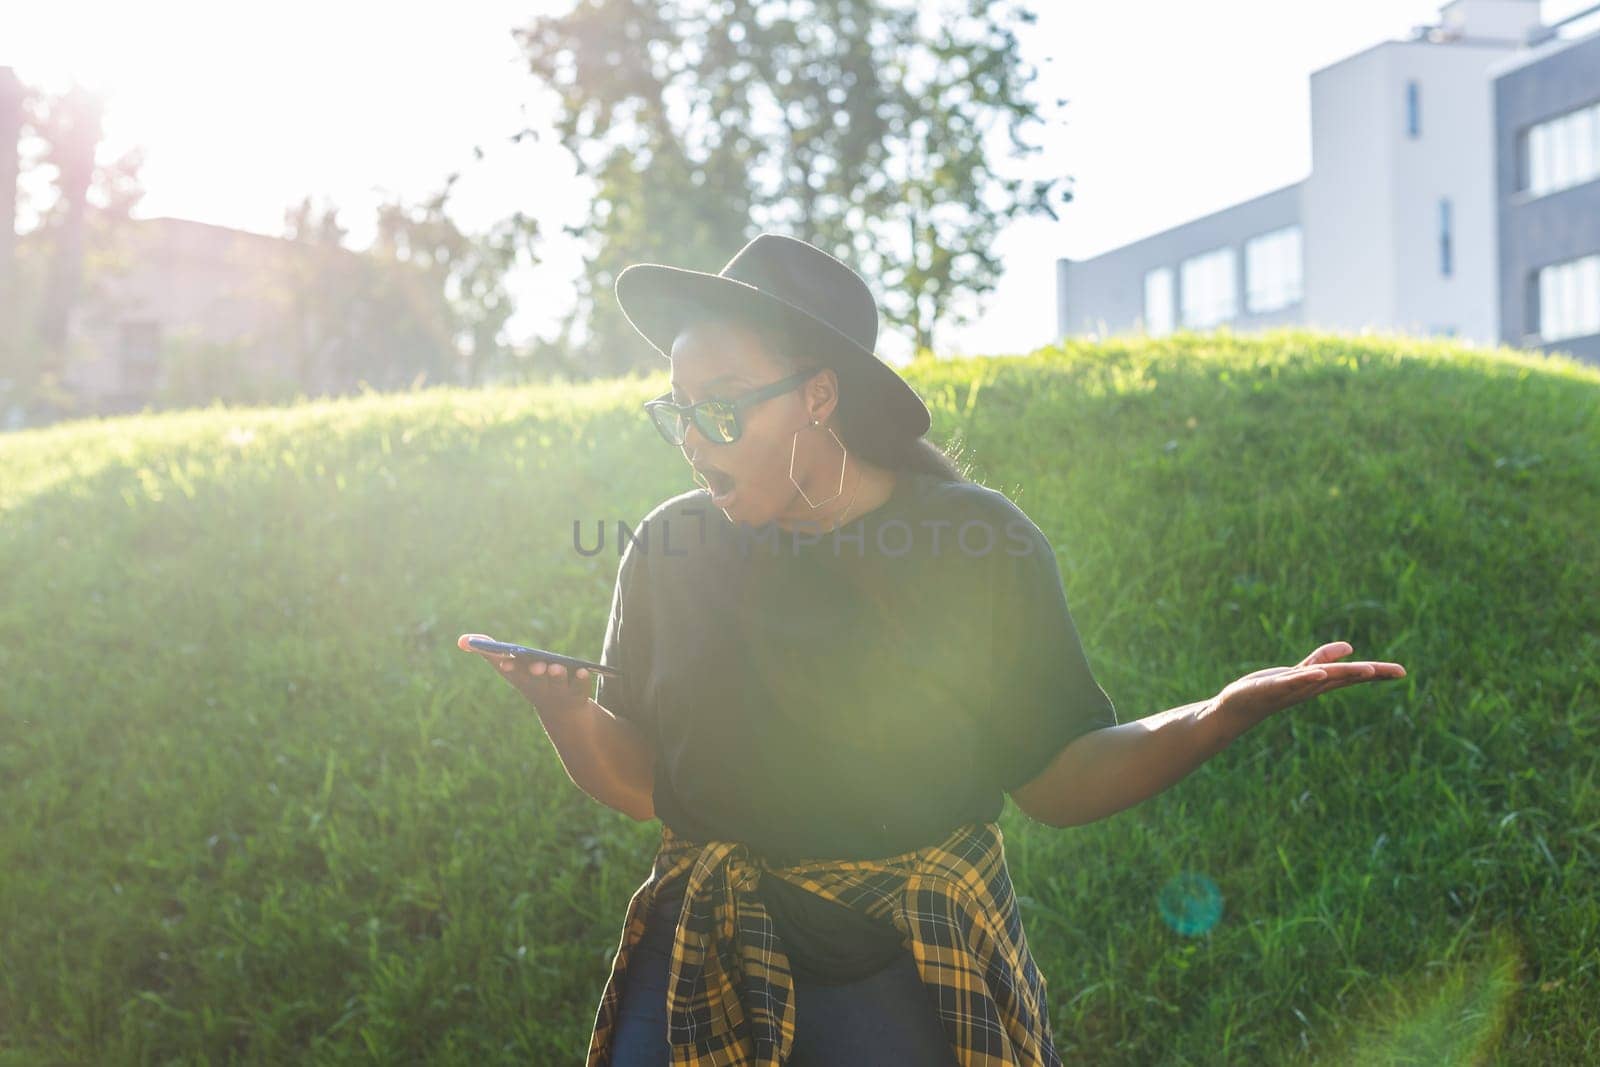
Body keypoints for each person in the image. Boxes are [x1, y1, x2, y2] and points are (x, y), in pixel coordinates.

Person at [459, 234, 1406, 1066]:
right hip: (699, 962)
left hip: (904, 971)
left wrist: (1218, 712)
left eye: (723, 405)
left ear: (819, 395)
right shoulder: (672, 547)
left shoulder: (974, 543)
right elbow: (651, 779)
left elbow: (1056, 777)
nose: (693, 440)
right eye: (678, 410)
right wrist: (564, 711)